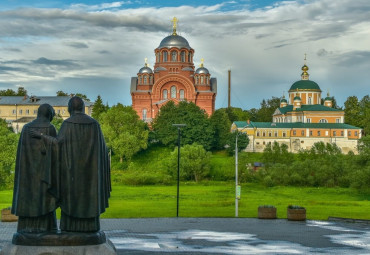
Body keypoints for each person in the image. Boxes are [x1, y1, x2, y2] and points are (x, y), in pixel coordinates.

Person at [57, 96, 111, 232]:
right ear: (82, 108)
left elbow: (58, 147)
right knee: (90, 197)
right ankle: (90, 227)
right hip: (91, 175)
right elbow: (102, 151)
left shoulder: (67, 124)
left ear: (70, 108)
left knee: (71, 200)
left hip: (71, 175)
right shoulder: (94, 124)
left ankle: (70, 228)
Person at [12, 104, 58, 233]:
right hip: (45, 174)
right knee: (45, 199)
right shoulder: (50, 128)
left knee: (29, 196)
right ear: (49, 115)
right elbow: (57, 148)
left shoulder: (26, 128)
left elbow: (22, 154)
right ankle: (46, 228)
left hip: (28, 173)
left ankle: (26, 228)